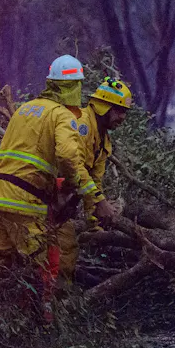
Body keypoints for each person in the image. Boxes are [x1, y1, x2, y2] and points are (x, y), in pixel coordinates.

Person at [0, 55, 117, 317]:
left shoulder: (26, 109)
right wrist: (82, 193)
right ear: (73, 86)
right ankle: (44, 324)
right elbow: (70, 159)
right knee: (42, 266)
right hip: (24, 204)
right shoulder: (61, 115)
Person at [57, 77, 132, 282]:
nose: (123, 117)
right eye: (119, 110)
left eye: (125, 112)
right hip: (45, 199)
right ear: (103, 105)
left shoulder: (103, 140)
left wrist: (94, 224)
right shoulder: (81, 125)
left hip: (61, 205)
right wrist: (100, 202)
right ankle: (52, 307)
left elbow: (93, 181)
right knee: (63, 254)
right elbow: (73, 166)